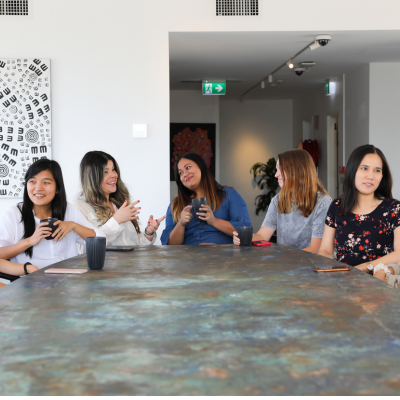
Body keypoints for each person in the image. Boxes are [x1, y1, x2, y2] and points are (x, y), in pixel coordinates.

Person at [0, 159, 105, 277]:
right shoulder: (14, 214)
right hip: (32, 283)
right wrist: (30, 241)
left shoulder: (68, 210)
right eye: (32, 181)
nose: (38, 188)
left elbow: (100, 240)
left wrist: (74, 226)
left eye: (46, 182)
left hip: (68, 280)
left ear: (57, 188)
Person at [318, 144, 400, 284]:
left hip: (378, 282)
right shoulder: (337, 207)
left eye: (377, 170)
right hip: (342, 281)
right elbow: (325, 251)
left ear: (382, 176)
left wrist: (364, 267)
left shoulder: (393, 208)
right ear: (352, 170)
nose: (371, 176)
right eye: (364, 168)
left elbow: (398, 253)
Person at [234, 149, 331, 253]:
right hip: (287, 264)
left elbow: (316, 249)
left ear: (296, 171)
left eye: (280, 169)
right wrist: (245, 238)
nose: (276, 175)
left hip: (311, 266)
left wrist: (283, 260)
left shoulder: (322, 203)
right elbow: (263, 235)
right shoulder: (278, 200)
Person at [73, 151, 165, 249]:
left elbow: (134, 245)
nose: (114, 175)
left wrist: (148, 233)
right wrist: (116, 220)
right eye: (105, 171)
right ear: (92, 177)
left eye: (113, 170)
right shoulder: (78, 207)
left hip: (131, 263)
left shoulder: (119, 204)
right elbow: (84, 249)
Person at [161, 152, 251, 245]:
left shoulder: (228, 194)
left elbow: (244, 230)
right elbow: (170, 246)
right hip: (189, 257)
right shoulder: (175, 204)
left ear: (201, 166)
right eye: (180, 172)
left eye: (188, 167)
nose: (185, 174)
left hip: (223, 256)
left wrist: (214, 221)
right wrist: (181, 224)